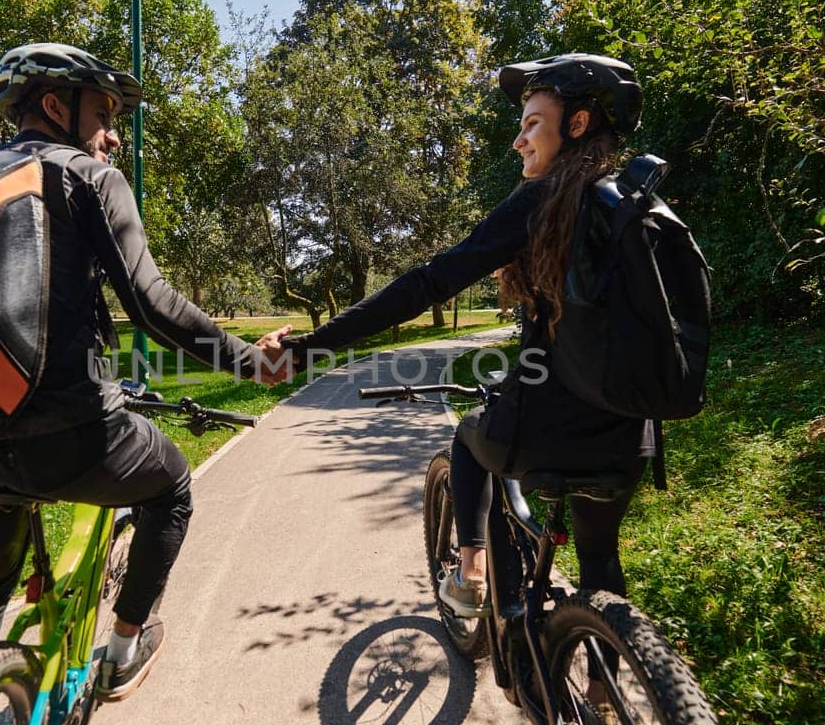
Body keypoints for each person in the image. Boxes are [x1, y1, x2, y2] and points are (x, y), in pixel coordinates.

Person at [0, 42, 288, 700]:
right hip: (69, 435)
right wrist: (248, 360)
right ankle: (122, 652)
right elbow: (152, 305)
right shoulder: (86, 177)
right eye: (103, 113)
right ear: (56, 106)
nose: (114, 135)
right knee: (171, 485)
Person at [274, 53, 654, 621]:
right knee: (599, 558)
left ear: (576, 125)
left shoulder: (543, 202)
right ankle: (605, 697)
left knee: (470, 438)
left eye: (531, 124)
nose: (519, 141)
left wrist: (308, 349)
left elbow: (427, 283)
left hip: (549, 429)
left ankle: (471, 574)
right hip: (632, 433)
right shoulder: (634, 204)